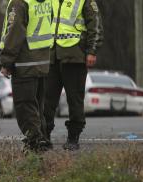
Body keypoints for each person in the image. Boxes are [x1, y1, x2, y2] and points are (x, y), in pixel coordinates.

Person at [43, 0, 103, 150]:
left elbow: (95, 24)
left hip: (75, 56)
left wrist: (92, 51)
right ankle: (44, 137)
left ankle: (73, 138)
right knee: (46, 100)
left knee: (75, 100)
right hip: (51, 56)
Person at [0, 0, 54, 153]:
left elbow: (15, 31)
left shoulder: (20, 2)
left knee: (25, 106)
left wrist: (6, 61)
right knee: (36, 106)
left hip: (25, 62)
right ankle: (41, 141)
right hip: (42, 62)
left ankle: (34, 143)